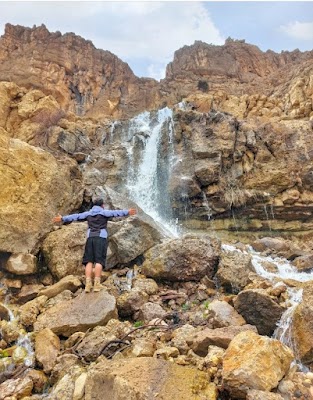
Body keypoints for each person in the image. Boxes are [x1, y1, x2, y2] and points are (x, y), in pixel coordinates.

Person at [53, 198, 137, 293]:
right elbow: (116, 213)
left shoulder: (88, 213)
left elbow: (76, 216)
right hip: (100, 238)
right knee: (99, 261)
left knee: (88, 261)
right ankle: (97, 284)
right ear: (102, 206)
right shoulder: (104, 212)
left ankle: (88, 285)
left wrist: (62, 218)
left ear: (93, 206)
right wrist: (128, 212)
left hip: (90, 239)